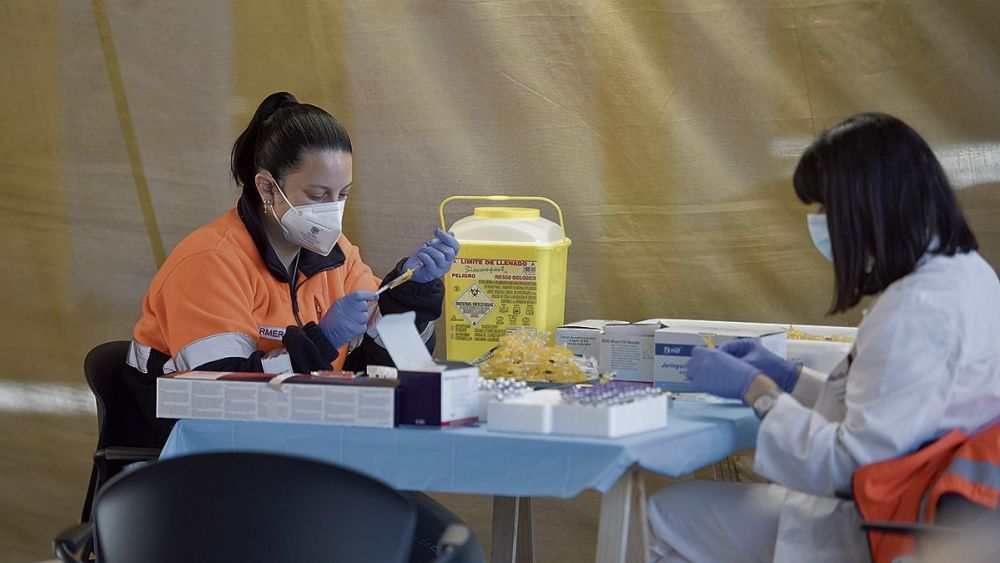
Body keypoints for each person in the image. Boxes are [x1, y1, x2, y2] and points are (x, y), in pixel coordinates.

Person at [122, 91, 483, 562]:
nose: (332, 210)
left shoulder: (336, 257)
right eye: (318, 195)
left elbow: (389, 361)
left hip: (308, 461)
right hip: (206, 481)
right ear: (268, 189)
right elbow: (223, 401)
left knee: (452, 548)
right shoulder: (210, 261)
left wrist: (411, 295)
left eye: (343, 195)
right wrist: (324, 338)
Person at [647, 113, 1000, 562]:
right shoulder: (968, 274)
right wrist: (793, 379)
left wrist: (756, 391)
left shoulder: (918, 310)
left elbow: (853, 465)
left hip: (876, 525)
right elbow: (882, 408)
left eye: (824, 208)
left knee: (662, 513)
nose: (819, 222)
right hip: (922, 509)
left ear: (866, 207)